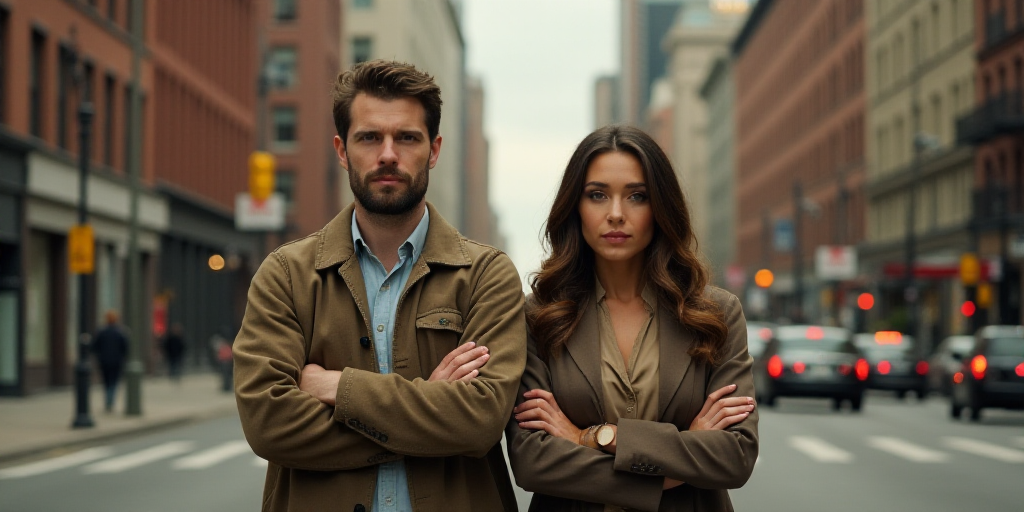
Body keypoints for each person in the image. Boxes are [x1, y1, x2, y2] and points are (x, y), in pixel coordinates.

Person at [233, 60, 526, 512]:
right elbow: (268, 424)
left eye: (407, 138)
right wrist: (428, 407)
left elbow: (479, 422)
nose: (387, 155)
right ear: (342, 150)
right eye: (369, 137)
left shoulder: (486, 275)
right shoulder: (286, 275)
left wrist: (337, 388)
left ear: (434, 150)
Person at [505, 125, 759, 512]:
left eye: (637, 196)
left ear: (660, 207)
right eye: (597, 195)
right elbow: (533, 462)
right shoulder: (537, 316)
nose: (616, 214)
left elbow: (733, 456)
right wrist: (683, 452)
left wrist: (591, 438)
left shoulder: (715, 314)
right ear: (576, 206)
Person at [92, 310, 129, 413]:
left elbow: (95, 346)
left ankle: (108, 401)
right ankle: (110, 401)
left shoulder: (102, 332)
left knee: (106, 381)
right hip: (116, 361)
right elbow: (125, 347)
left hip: (104, 361)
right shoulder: (120, 333)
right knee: (113, 381)